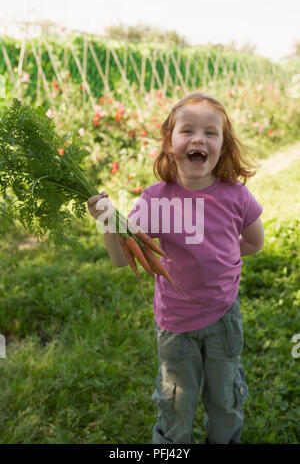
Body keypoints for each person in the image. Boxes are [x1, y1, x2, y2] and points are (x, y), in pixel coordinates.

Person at [87, 92, 264, 444]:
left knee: (225, 399)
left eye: (210, 133)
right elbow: (123, 258)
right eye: (188, 130)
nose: (199, 139)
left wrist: (222, 258)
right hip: (176, 325)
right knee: (175, 406)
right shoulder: (156, 199)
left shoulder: (236, 196)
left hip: (223, 317)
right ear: (170, 143)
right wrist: (108, 219)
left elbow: (254, 243)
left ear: (222, 145)